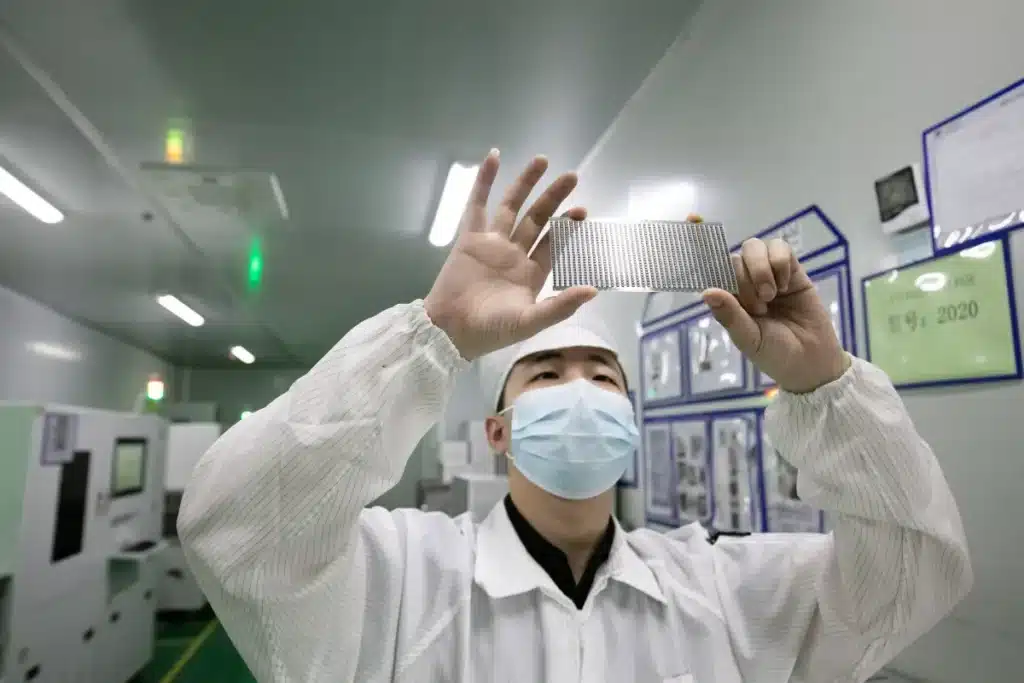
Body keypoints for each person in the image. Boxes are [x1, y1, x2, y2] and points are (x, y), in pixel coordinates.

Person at [178, 150, 972, 683]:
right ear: (498, 430)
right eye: (547, 373)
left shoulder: (721, 590)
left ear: (630, 420)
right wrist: (434, 337)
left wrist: (825, 386)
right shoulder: (403, 578)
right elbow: (239, 530)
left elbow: (913, 572)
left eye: (602, 374)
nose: (581, 388)